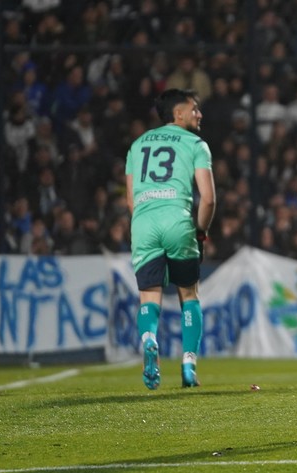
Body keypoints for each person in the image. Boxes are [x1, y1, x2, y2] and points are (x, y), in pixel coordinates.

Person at [125, 88, 216, 390]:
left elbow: (131, 201)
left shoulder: (137, 145)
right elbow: (208, 199)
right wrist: (200, 231)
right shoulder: (196, 144)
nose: (199, 115)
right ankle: (189, 364)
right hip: (177, 220)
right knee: (188, 294)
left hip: (144, 223)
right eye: (194, 109)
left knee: (149, 297)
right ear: (178, 114)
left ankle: (149, 339)